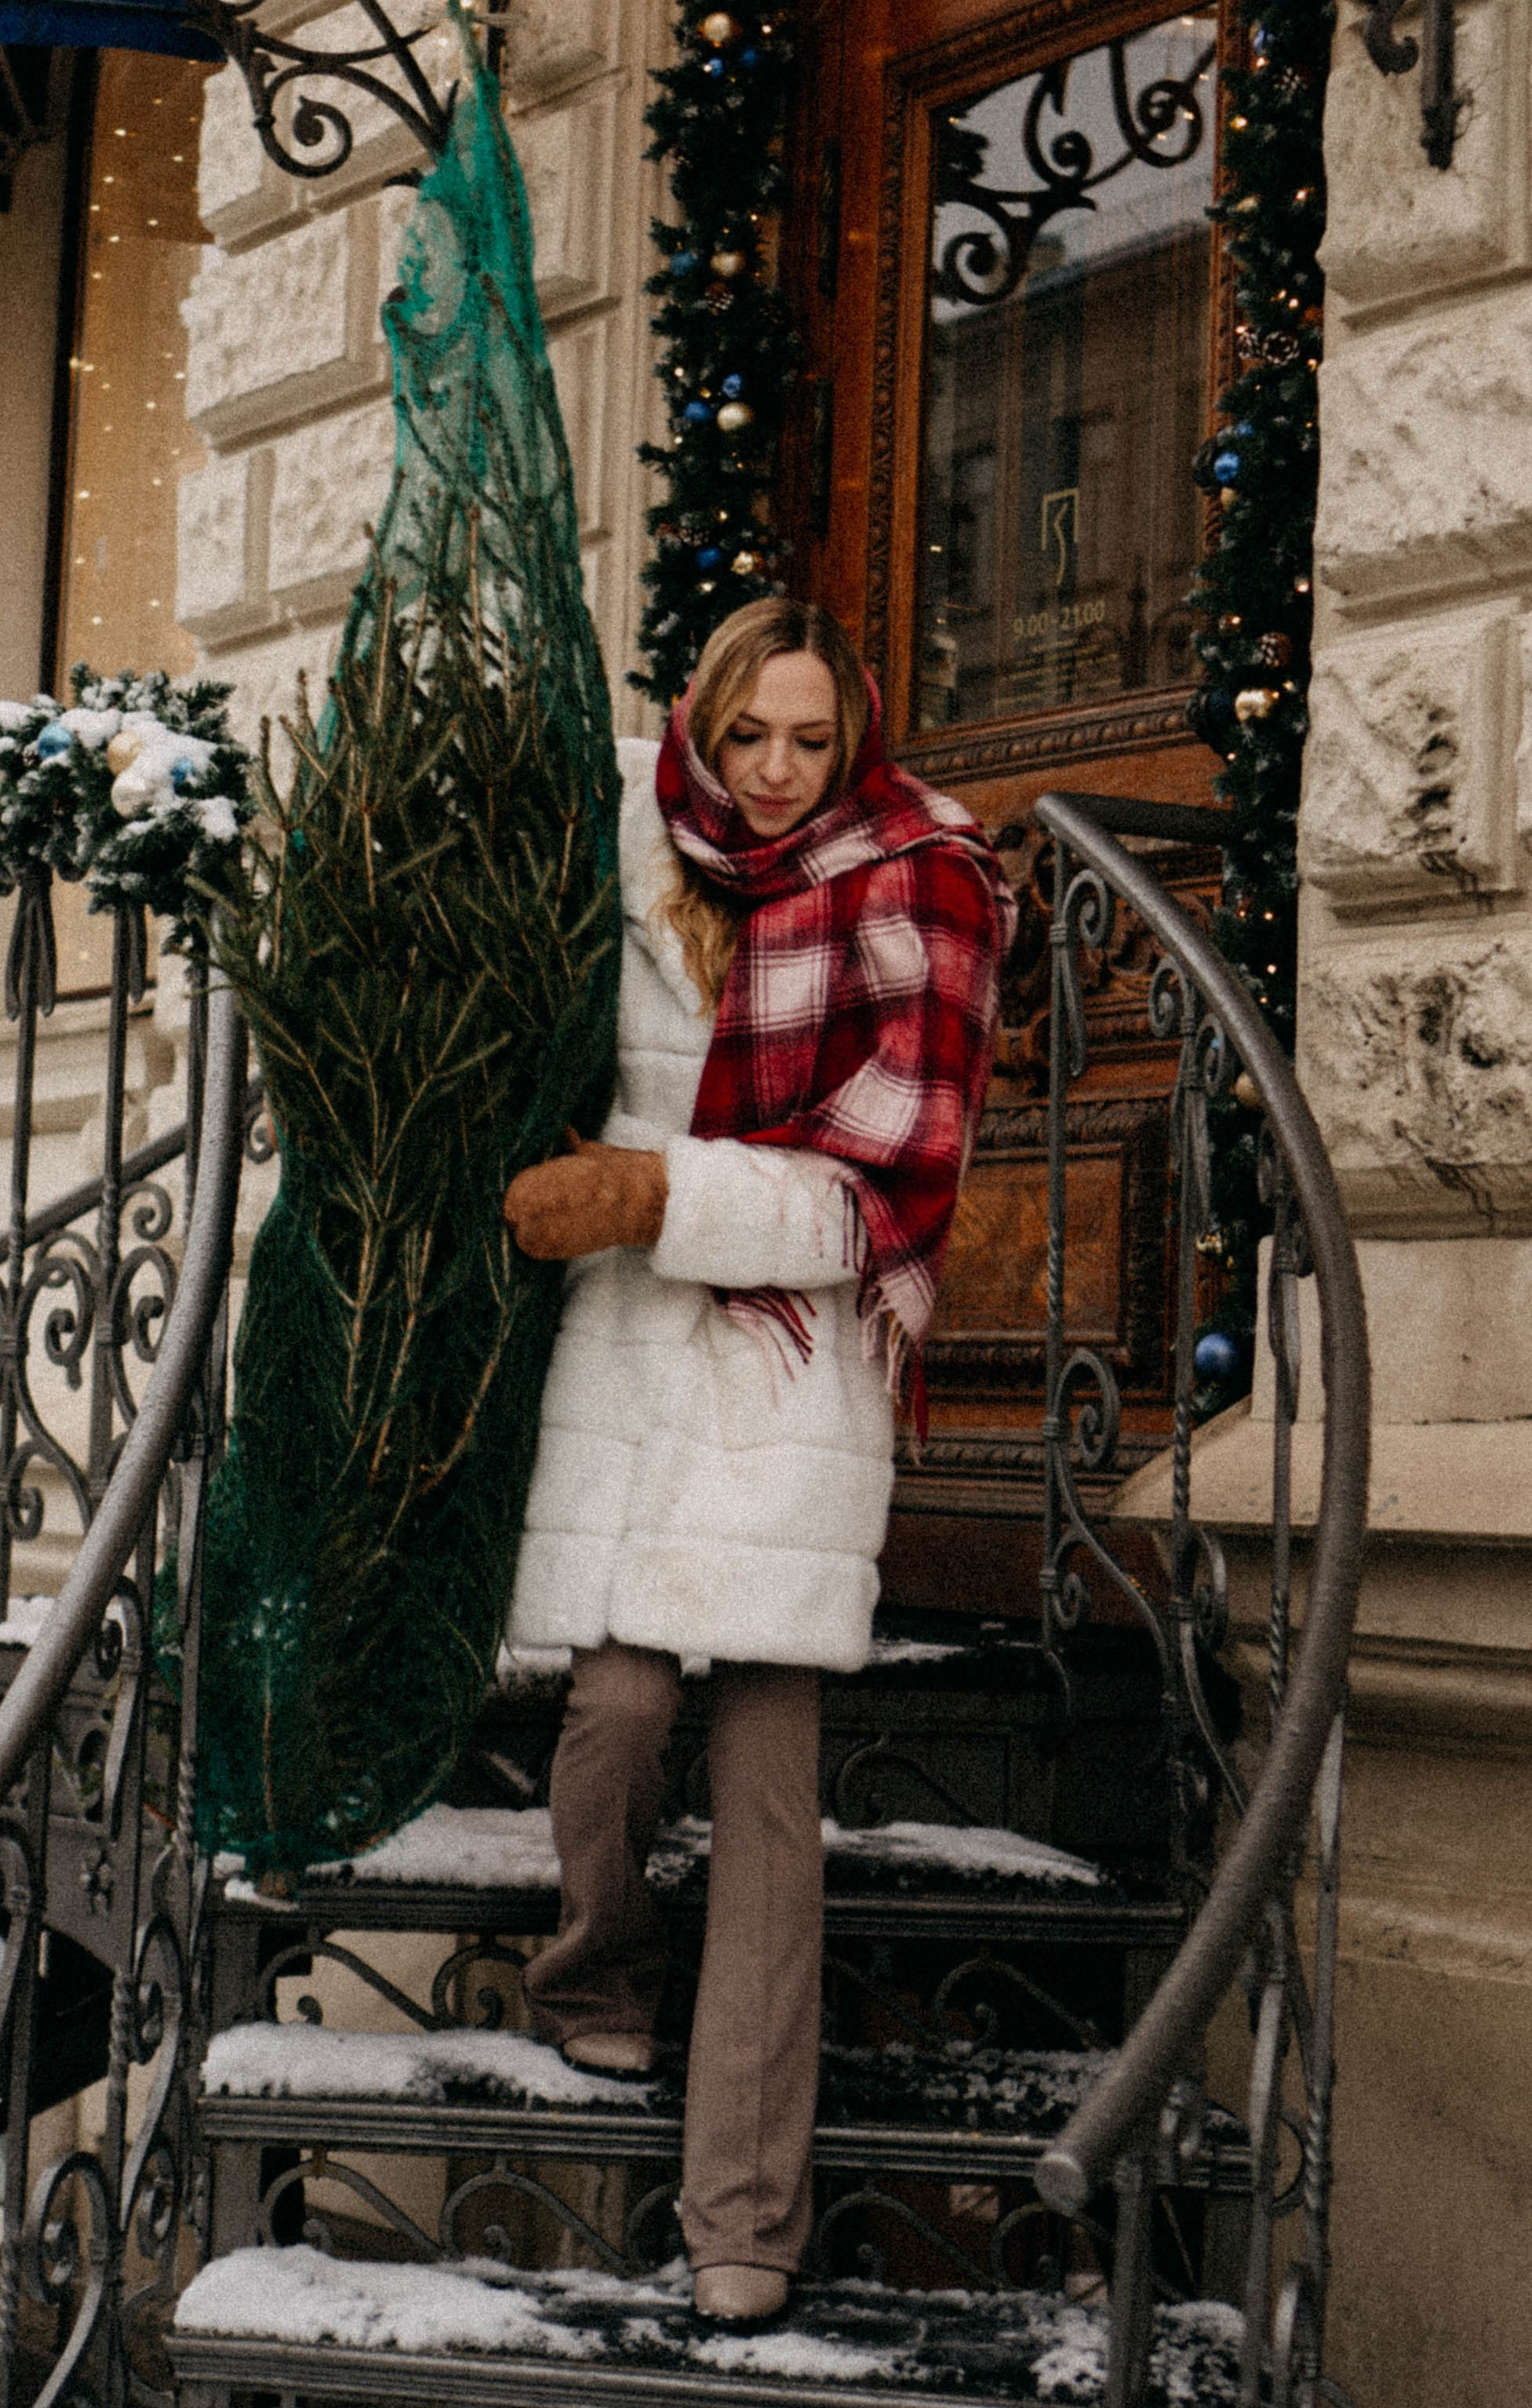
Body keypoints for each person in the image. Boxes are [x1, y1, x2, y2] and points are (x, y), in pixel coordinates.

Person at [500, 596, 1014, 2325]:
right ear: (698, 733)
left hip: (789, 1371)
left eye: (812, 739)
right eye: (748, 739)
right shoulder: (628, 852)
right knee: (619, 1715)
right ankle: (585, 1975)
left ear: (850, 737)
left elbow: (885, 1192)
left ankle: (744, 2222)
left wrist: (657, 1192)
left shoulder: (919, 886)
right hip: (628, 1351)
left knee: (770, 1811)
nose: (780, 773)